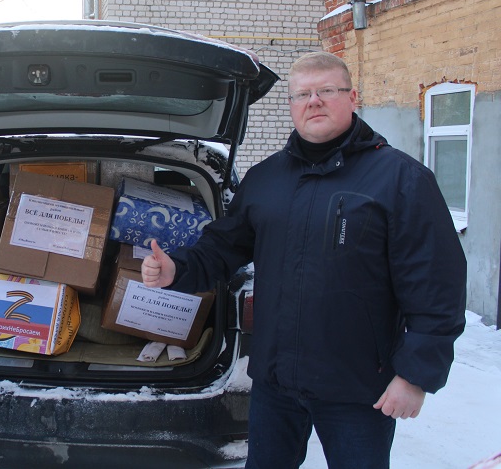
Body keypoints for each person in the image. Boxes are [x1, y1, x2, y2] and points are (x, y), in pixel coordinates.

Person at [141, 51, 467, 469]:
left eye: (326, 91)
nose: (314, 101)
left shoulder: (401, 180)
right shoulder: (266, 180)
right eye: (302, 94)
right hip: (277, 384)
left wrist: (416, 376)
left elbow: (436, 286)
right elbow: (224, 246)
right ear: (292, 107)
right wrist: (177, 269)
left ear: (352, 97)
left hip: (358, 389)